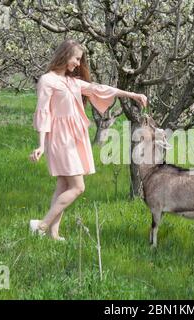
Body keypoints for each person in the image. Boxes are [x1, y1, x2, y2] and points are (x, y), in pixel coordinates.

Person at [28, 39, 148, 241]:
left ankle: (53, 234)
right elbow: (43, 112)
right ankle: (41, 225)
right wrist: (41, 144)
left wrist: (133, 95)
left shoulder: (71, 81)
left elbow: (100, 89)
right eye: (76, 58)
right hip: (60, 139)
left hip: (73, 138)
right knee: (77, 187)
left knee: (62, 186)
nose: (78, 63)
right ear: (65, 55)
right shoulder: (47, 80)